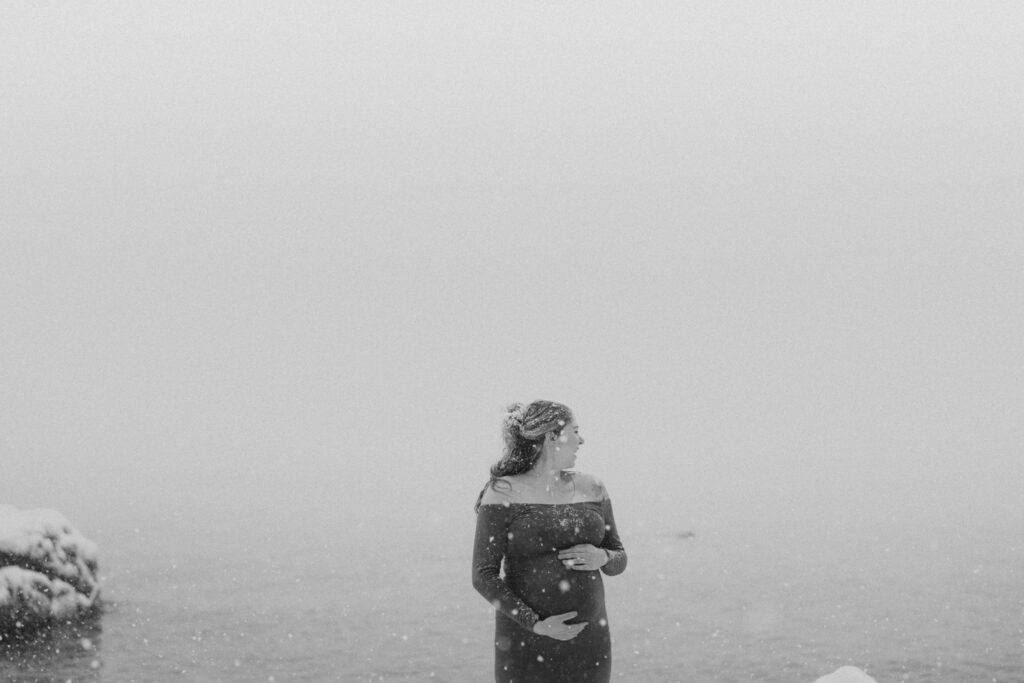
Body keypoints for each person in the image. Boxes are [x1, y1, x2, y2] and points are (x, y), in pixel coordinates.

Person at [472, 400, 627, 682]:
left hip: (589, 640)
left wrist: (602, 557)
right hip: (525, 640)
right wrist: (537, 624)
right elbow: (483, 575)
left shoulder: (592, 487)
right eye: (575, 431)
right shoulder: (503, 492)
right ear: (551, 436)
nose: (582, 440)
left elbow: (618, 558)